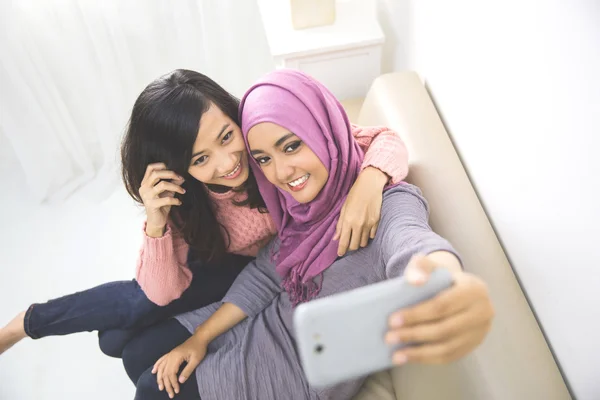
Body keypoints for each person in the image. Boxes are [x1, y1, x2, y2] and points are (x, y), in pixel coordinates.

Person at [0, 69, 409, 370]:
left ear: (236, 118)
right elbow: (161, 292)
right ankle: (25, 324)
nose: (228, 163)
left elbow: (384, 140)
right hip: (213, 258)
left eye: (227, 137)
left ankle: (47, 324)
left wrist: (371, 182)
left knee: (115, 340)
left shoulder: (269, 140)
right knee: (134, 306)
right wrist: (157, 221)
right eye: (200, 158)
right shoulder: (189, 199)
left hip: (253, 266)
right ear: (180, 168)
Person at [128, 70, 494, 400]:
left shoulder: (386, 204)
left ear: (323, 129)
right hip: (266, 318)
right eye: (264, 159)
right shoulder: (297, 204)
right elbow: (265, 272)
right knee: (138, 354)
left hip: (297, 371)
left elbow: (414, 245)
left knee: (150, 386)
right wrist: (199, 339)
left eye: (291, 146)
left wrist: (452, 285)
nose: (281, 173)